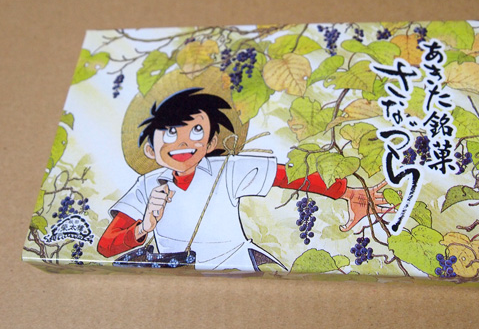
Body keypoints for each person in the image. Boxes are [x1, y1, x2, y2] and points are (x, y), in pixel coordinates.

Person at [97, 88, 387, 271]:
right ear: (150, 150)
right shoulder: (147, 186)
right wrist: (144, 227)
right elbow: (106, 247)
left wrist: (347, 192)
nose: (183, 142)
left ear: (211, 143)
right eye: (171, 133)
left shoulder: (227, 169)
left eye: (196, 131)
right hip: (179, 276)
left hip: (237, 266)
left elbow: (288, 176)